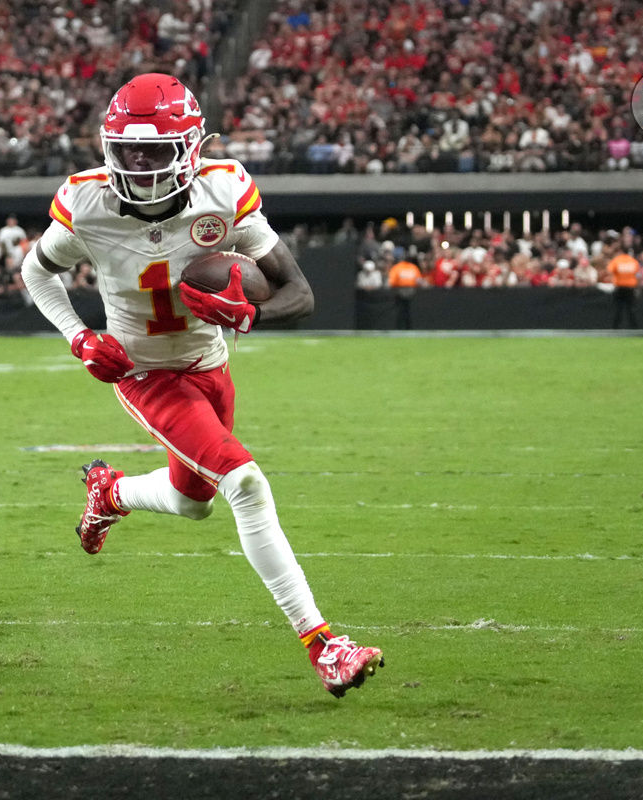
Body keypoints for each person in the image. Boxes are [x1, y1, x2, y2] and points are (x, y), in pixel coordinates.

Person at [21, 73, 383, 698]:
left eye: (155, 151)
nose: (139, 164)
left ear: (191, 147)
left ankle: (111, 493)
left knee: (194, 501)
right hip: (145, 372)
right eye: (127, 150)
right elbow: (36, 270)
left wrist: (252, 314)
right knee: (244, 482)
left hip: (209, 365)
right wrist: (80, 337)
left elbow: (300, 292)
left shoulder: (224, 190)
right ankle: (323, 644)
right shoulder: (87, 204)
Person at [605, 245, 640, 329]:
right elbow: (638, 274)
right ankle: (634, 328)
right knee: (631, 309)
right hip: (630, 288)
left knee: (617, 309)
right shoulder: (633, 261)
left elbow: (609, 271)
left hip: (619, 287)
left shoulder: (617, 260)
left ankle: (615, 327)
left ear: (620, 251)